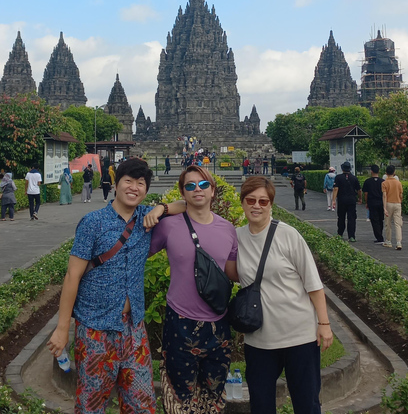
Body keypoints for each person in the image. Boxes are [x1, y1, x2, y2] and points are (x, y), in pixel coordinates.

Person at [46, 159, 186, 414]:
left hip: (134, 329)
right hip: (95, 329)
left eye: (140, 183)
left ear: (146, 189)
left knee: (142, 404)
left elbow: (186, 204)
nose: (134, 188)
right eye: (128, 181)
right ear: (116, 184)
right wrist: (62, 329)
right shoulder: (93, 222)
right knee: (92, 404)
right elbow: (72, 276)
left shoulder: (146, 217)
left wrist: (161, 208)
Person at [236, 176, 333, 414]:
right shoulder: (235, 238)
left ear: (271, 205)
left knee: (306, 403)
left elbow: (313, 284)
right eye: (251, 200)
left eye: (263, 201)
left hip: (298, 336)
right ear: (243, 202)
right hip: (259, 338)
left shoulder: (288, 235)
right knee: (260, 404)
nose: (256, 205)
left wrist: (324, 323)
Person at [149, 165, 238, 413]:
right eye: (190, 185)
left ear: (213, 191)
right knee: (179, 399)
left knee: (214, 398)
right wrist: (162, 208)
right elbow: (136, 253)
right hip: (180, 322)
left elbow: (234, 273)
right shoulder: (168, 226)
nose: (197, 189)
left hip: (218, 325)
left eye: (203, 185)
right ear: (182, 193)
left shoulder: (228, 229)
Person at [332, 161, 360, 242]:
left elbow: (336, 189)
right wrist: (360, 198)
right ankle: (351, 236)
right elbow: (359, 190)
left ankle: (340, 234)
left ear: (342, 168)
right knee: (351, 218)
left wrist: (333, 200)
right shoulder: (354, 178)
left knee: (341, 217)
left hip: (342, 200)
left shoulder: (338, 177)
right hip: (352, 200)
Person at [361, 165, 385, 244]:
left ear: (371, 171)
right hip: (381, 203)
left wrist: (366, 202)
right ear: (379, 171)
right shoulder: (383, 181)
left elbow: (366, 193)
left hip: (372, 203)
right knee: (381, 219)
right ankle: (380, 235)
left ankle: (379, 238)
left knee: (374, 220)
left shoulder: (368, 181)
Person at [382, 165, 403, 250]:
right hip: (397, 203)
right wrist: (399, 201)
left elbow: (384, 196)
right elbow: (401, 194)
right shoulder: (399, 183)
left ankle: (388, 241)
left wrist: (384, 207)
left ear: (386, 173)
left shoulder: (384, 183)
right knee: (398, 224)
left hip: (388, 204)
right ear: (394, 173)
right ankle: (398, 242)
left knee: (388, 223)